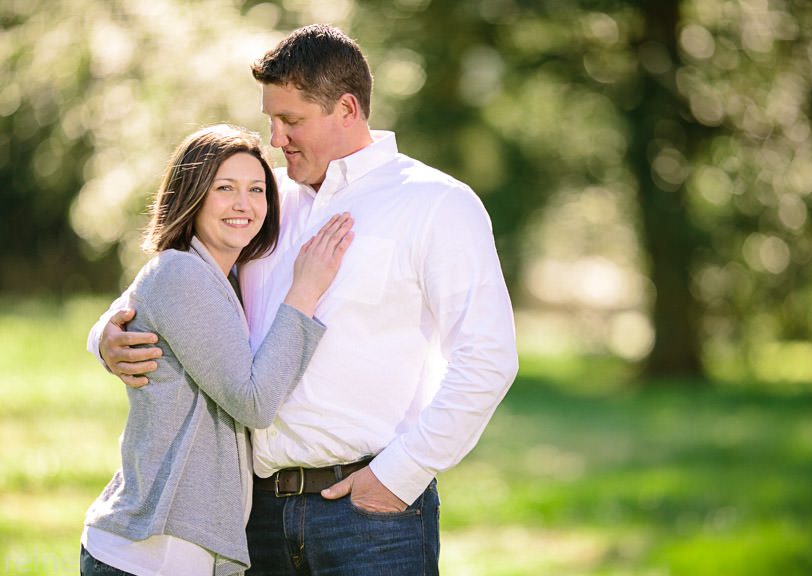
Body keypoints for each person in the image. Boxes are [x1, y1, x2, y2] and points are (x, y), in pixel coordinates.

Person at [89, 24, 518, 575]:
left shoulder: (435, 203)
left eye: (290, 121)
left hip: (370, 517)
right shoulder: (261, 198)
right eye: (271, 120)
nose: (276, 138)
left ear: (345, 109)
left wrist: (400, 475)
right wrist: (106, 337)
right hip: (252, 518)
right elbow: (163, 282)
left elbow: (488, 357)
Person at [81, 124, 354, 576]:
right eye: (224, 188)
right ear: (192, 196)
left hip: (183, 551)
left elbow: (124, 311)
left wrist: (101, 338)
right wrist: (305, 290)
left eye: (256, 189)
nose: (244, 204)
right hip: (150, 553)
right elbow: (255, 402)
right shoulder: (182, 274)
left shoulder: (222, 277)